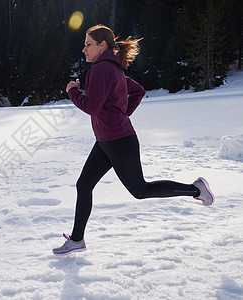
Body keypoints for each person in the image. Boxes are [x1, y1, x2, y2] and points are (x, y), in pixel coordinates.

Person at [53, 25, 214, 256]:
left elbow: (92, 107)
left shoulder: (101, 69)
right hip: (107, 140)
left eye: (88, 44)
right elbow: (137, 91)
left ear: (102, 45)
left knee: (140, 190)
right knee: (84, 184)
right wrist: (121, 115)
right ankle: (77, 239)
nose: (83, 49)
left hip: (118, 140)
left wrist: (72, 92)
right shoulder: (113, 68)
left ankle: (196, 190)